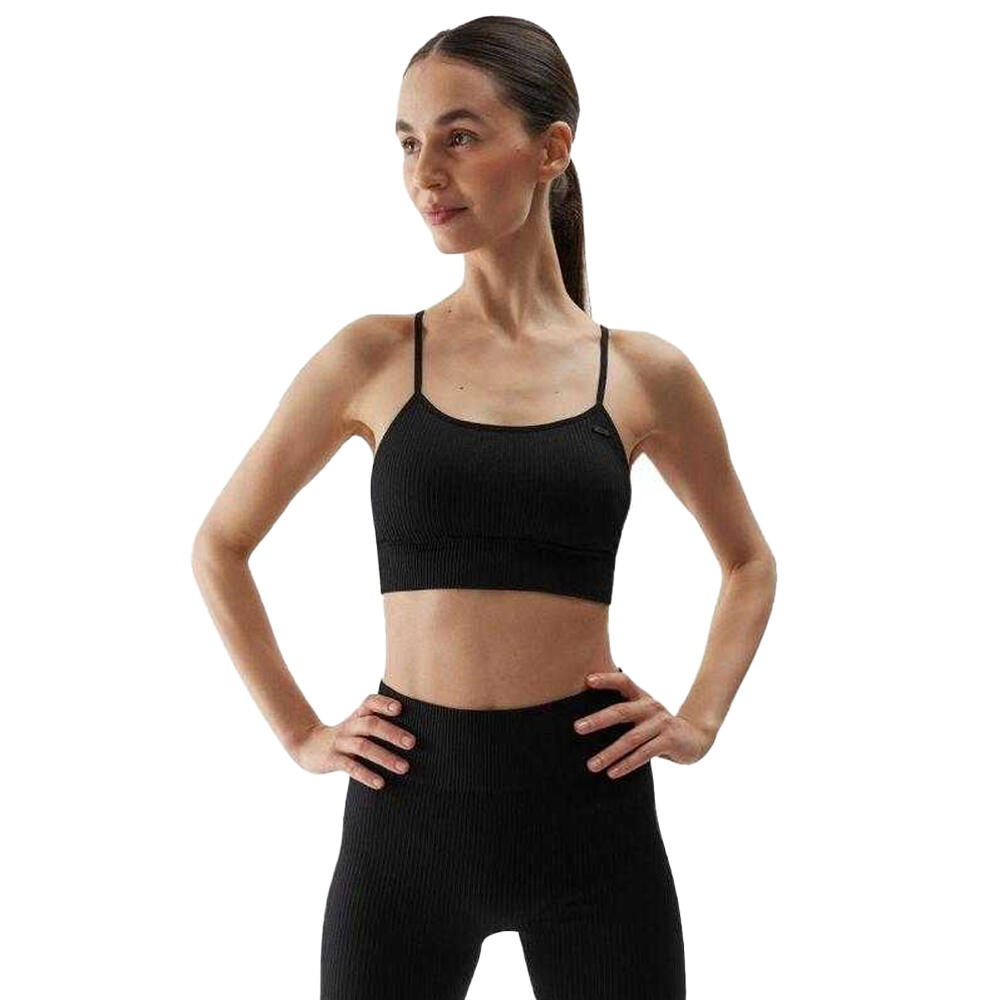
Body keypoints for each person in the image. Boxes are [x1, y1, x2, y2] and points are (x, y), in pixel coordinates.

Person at [192, 15, 777, 1000]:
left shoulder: (643, 374)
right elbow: (220, 544)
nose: (426, 173)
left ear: (551, 149)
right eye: (408, 142)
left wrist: (700, 718)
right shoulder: (373, 357)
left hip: (591, 820)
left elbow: (749, 563)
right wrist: (300, 732)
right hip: (407, 820)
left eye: (459, 137)